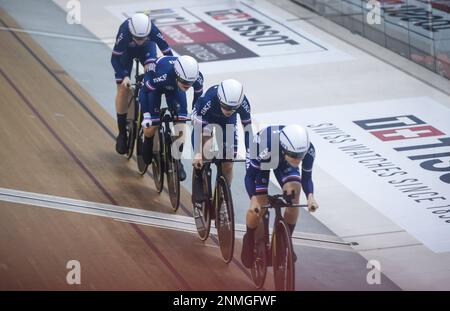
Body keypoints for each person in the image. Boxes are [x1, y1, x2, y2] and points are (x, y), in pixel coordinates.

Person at [241, 124, 319, 268]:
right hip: (262, 156)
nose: (298, 160)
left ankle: (284, 243)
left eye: (301, 156)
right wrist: (253, 200)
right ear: (284, 147)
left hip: (282, 160)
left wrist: (310, 196)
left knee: (294, 192)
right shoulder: (266, 147)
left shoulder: (308, 150)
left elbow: (307, 178)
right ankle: (249, 239)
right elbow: (249, 177)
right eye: (294, 156)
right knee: (259, 204)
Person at [111, 13, 173, 155]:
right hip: (126, 53)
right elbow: (114, 59)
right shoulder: (124, 31)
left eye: (143, 37)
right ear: (131, 32)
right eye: (137, 38)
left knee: (150, 72)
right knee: (122, 88)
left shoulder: (153, 31)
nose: (139, 40)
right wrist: (125, 76)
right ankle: (122, 133)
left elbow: (168, 53)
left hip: (147, 50)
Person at [139, 55, 204, 181]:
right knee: (152, 126)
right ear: (177, 74)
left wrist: (196, 113)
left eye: (190, 83)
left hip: (175, 90)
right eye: (185, 82)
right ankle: (147, 141)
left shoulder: (197, 78)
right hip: (155, 89)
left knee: (181, 125)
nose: (188, 85)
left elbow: (198, 99)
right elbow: (144, 91)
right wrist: (146, 116)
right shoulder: (161, 76)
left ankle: (177, 160)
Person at [191, 79, 253, 186]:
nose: (229, 110)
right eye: (225, 106)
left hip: (227, 122)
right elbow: (198, 129)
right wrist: (198, 153)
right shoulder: (208, 100)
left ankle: (223, 197)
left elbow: (248, 130)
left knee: (228, 164)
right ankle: (199, 179)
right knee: (206, 151)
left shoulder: (244, 103)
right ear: (219, 99)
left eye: (233, 108)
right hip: (206, 119)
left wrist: (250, 155)